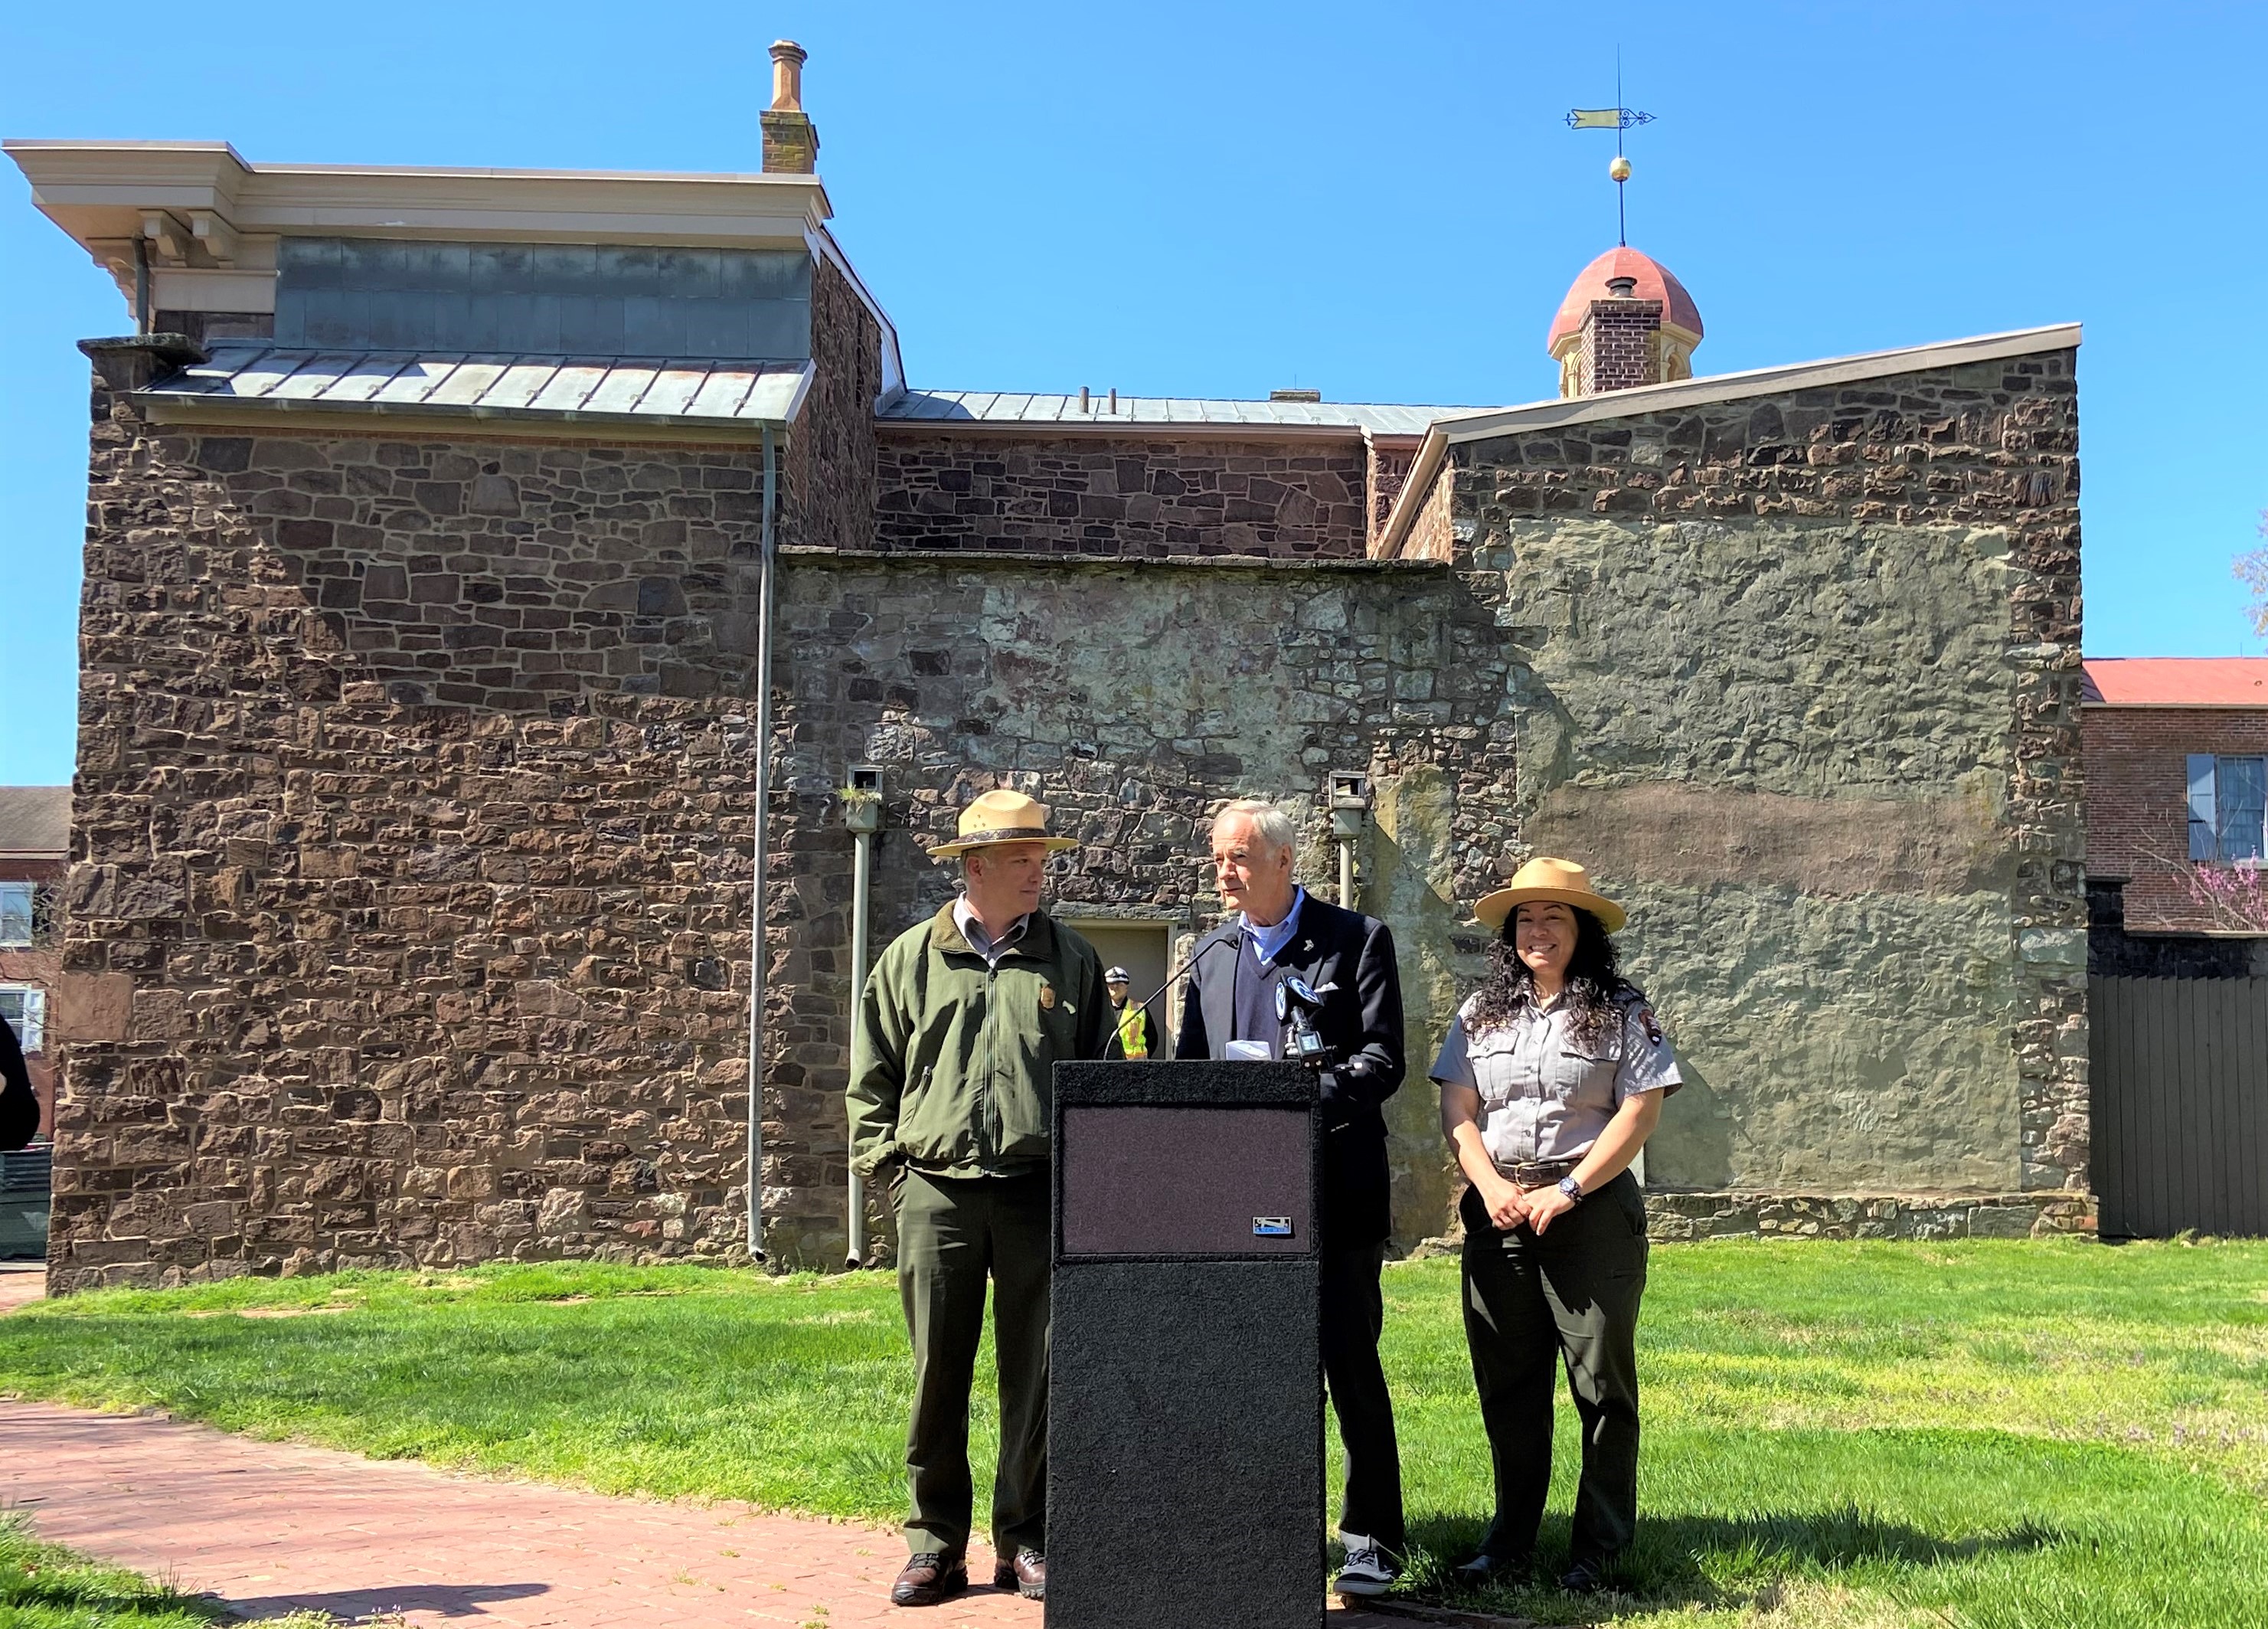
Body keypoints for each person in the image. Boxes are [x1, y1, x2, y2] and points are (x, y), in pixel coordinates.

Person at [846, 789, 1112, 1607]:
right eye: (1024, 861)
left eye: (1043, 859)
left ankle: (1024, 1541)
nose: (1040, 873)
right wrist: (892, 1171)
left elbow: (1103, 1081)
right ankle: (934, 1545)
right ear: (976, 868)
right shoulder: (908, 959)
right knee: (938, 1376)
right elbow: (870, 1082)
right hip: (936, 1196)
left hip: (1038, 1195)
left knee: (1035, 1376)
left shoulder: (1070, 961)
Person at [1174, 797, 1407, 1597]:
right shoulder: (1206, 956)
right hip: (1243, 1195)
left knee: (1349, 1361)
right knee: (1253, 1368)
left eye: (1238, 857)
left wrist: (1298, 1101)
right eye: (1217, 858)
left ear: (1283, 861)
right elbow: (1192, 1076)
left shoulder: (1355, 941)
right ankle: (1262, 1531)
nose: (1223, 872)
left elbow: (1382, 1062)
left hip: (1334, 1189)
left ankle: (1372, 1539)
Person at [1431, 857, 1681, 1595]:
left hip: (1592, 1214)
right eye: (1527, 919)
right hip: (1499, 1214)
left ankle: (1599, 1550)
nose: (1539, 930)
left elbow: (1641, 1110)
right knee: (1507, 1383)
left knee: (1601, 1384)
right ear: (1511, 934)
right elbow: (1457, 1108)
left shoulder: (1624, 1009)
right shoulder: (1480, 1013)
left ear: (1584, 931)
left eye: (1556, 918)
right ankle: (1507, 1540)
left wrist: (1569, 1189)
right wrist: (1493, 1187)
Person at [1101, 965, 1158, 1059]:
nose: (1115, 986)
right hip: (1106, 1067)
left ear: (1126, 986)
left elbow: (1152, 1039)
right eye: (1111, 983)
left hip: (1135, 1068)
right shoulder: (1099, 1011)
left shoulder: (1140, 1009)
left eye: (1119, 983)